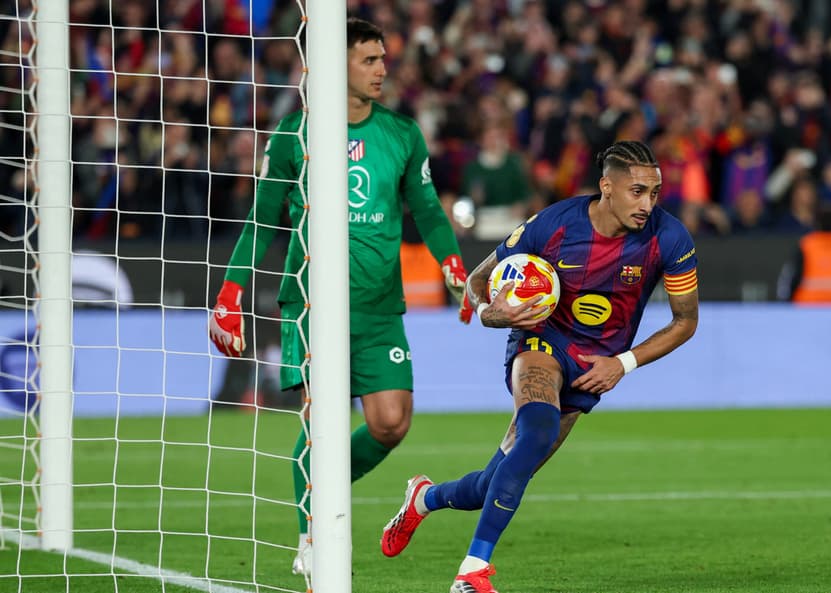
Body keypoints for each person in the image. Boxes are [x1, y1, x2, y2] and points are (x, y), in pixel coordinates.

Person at [207, 17, 468, 574]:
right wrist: (230, 292)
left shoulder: (401, 134)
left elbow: (426, 209)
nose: (382, 69)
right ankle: (311, 536)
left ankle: (322, 493)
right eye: (368, 59)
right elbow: (262, 220)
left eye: (382, 58)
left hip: (378, 307)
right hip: (311, 304)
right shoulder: (294, 134)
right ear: (334, 65)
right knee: (319, 418)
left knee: (391, 422)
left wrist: (451, 262)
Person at [380, 140, 699, 592]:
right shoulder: (555, 224)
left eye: (654, 193)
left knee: (491, 482)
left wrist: (622, 364)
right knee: (539, 432)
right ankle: (472, 572)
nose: (647, 204)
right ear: (607, 187)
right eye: (637, 191)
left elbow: (686, 322)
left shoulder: (669, 237)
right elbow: (478, 282)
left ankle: (424, 498)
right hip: (540, 342)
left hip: (596, 367)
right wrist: (495, 314)